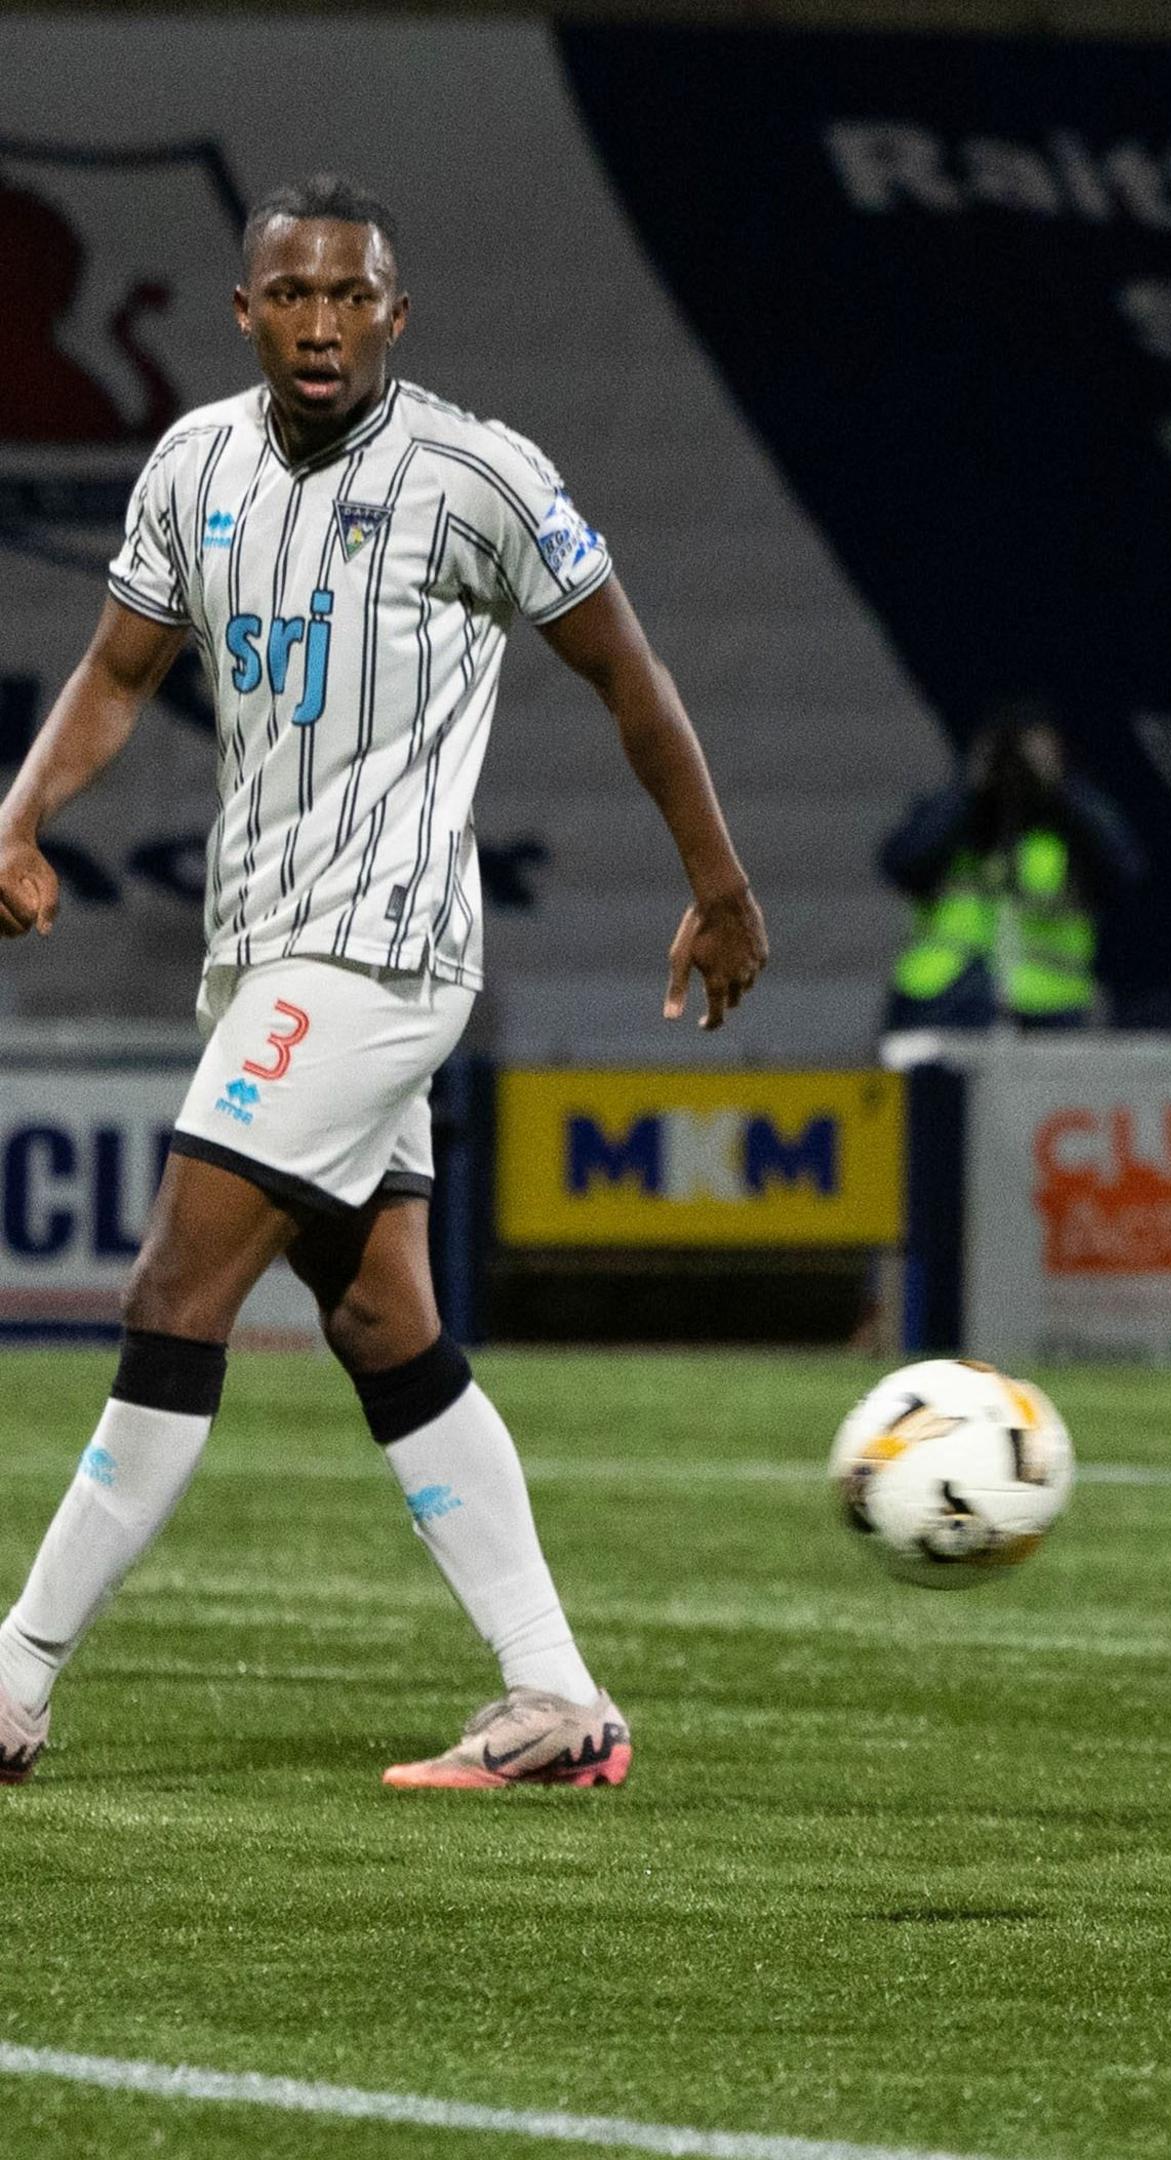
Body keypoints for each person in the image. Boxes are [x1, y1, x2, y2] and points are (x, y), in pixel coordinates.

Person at [0, 175, 768, 1789]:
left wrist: (718, 881)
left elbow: (629, 672)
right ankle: (555, 1702)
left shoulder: (478, 478)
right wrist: (19, 813)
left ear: (396, 318)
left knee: (168, 1294)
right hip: (265, 951)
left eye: (354, 297)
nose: (325, 322)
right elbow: (117, 673)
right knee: (381, 1321)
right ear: (246, 313)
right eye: (295, 295)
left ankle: (12, 1682)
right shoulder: (192, 466)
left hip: (384, 951)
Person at [881, 699, 1142, 1032]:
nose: (1015, 767)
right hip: (940, 997)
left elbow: (1124, 873)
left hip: (1049, 1008)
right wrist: (970, 789)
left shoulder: (1069, 829)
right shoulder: (955, 819)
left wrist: (1061, 788)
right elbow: (899, 863)